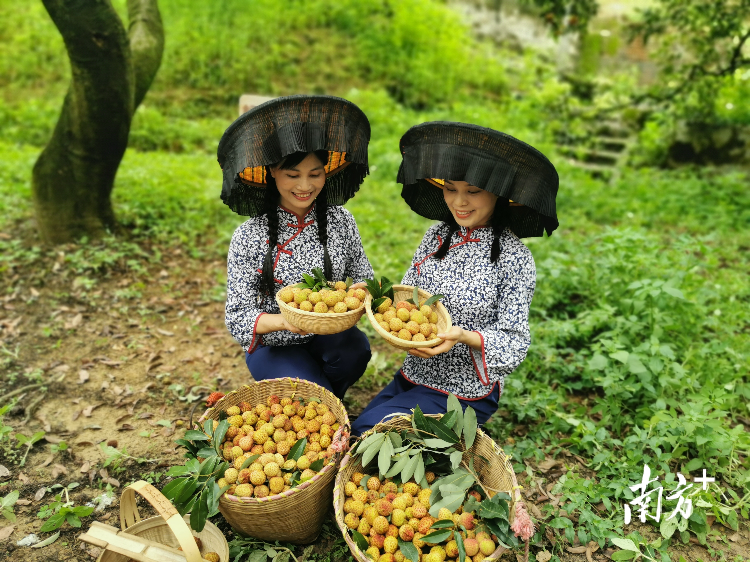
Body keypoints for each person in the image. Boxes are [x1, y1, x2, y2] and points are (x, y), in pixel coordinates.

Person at [351, 121, 559, 435]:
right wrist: (376, 294)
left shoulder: (515, 258)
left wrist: (462, 336)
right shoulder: (435, 236)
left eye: (472, 192)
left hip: (464, 391)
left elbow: (514, 342)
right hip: (415, 373)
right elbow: (411, 299)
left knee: (368, 431)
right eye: (451, 189)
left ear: (498, 194)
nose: (459, 202)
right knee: (357, 429)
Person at [218, 95, 374, 400]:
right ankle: (316, 395)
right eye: (293, 175)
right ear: (272, 171)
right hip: (274, 344)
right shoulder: (249, 236)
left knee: (355, 350)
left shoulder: (341, 221)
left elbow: (363, 274)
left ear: (326, 172)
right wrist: (287, 322)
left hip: (329, 335)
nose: (305, 186)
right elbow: (237, 314)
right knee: (313, 399)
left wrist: (361, 292)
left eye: (315, 174)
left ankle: (330, 395)